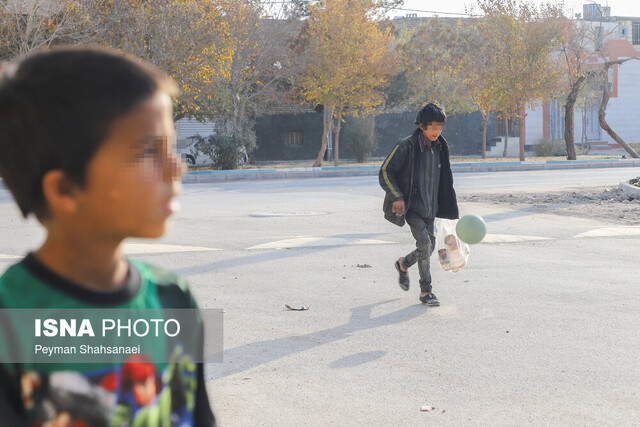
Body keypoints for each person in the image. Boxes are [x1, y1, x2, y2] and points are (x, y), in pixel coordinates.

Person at [0, 46, 216, 425]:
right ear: (65, 189)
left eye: (172, 147)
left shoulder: (173, 298)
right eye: (148, 151)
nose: (176, 167)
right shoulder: (11, 318)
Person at [379, 102, 459, 306]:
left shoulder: (441, 146)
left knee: (428, 247)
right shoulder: (406, 146)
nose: (436, 131)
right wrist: (397, 197)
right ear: (421, 125)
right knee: (424, 244)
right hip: (412, 208)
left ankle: (403, 264)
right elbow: (386, 172)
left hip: (431, 208)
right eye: (432, 126)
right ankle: (426, 291)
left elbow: (444, 179)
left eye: (440, 126)